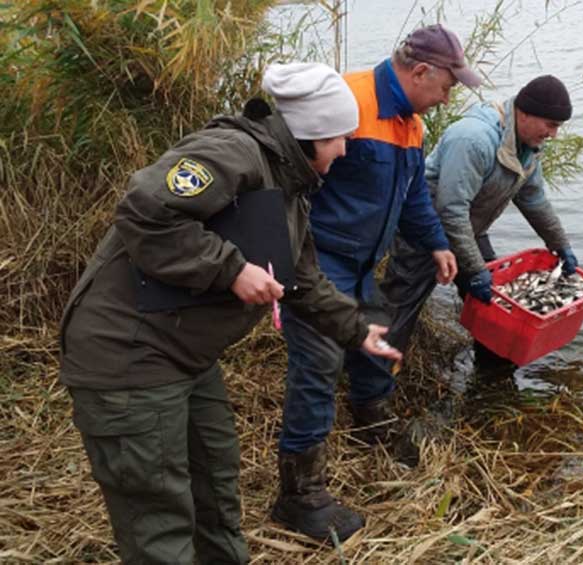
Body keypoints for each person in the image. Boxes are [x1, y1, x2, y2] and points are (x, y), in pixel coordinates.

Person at [57, 62, 401, 565]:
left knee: (217, 492)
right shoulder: (232, 154)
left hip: (186, 356)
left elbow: (300, 279)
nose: (345, 150)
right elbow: (144, 211)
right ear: (310, 134)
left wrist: (357, 331)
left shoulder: (292, 183)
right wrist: (231, 269)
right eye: (338, 139)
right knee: (160, 518)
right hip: (127, 357)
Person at [271, 24, 481, 540]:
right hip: (319, 258)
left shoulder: (412, 125)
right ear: (420, 71)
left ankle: (371, 416)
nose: (448, 97)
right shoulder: (347, 100)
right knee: (318, 362)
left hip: (366, 262)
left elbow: (411, 197)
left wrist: (436, 243)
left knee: (376, 333)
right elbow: (284, 179)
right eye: (448, 85)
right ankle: (299, 494)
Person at [377, 74, 579, 368]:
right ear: (524, 113)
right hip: (422, 230)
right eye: (550, 125)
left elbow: (534, 199)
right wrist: (473, 268)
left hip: (468, 228)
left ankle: (494, 371)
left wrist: (561, 246)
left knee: (495, 305)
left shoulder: (527, 148)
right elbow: (451, 209)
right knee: (399, 309)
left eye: (557, 126)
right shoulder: (473, 138)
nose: (554, 134)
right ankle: (372, 389)